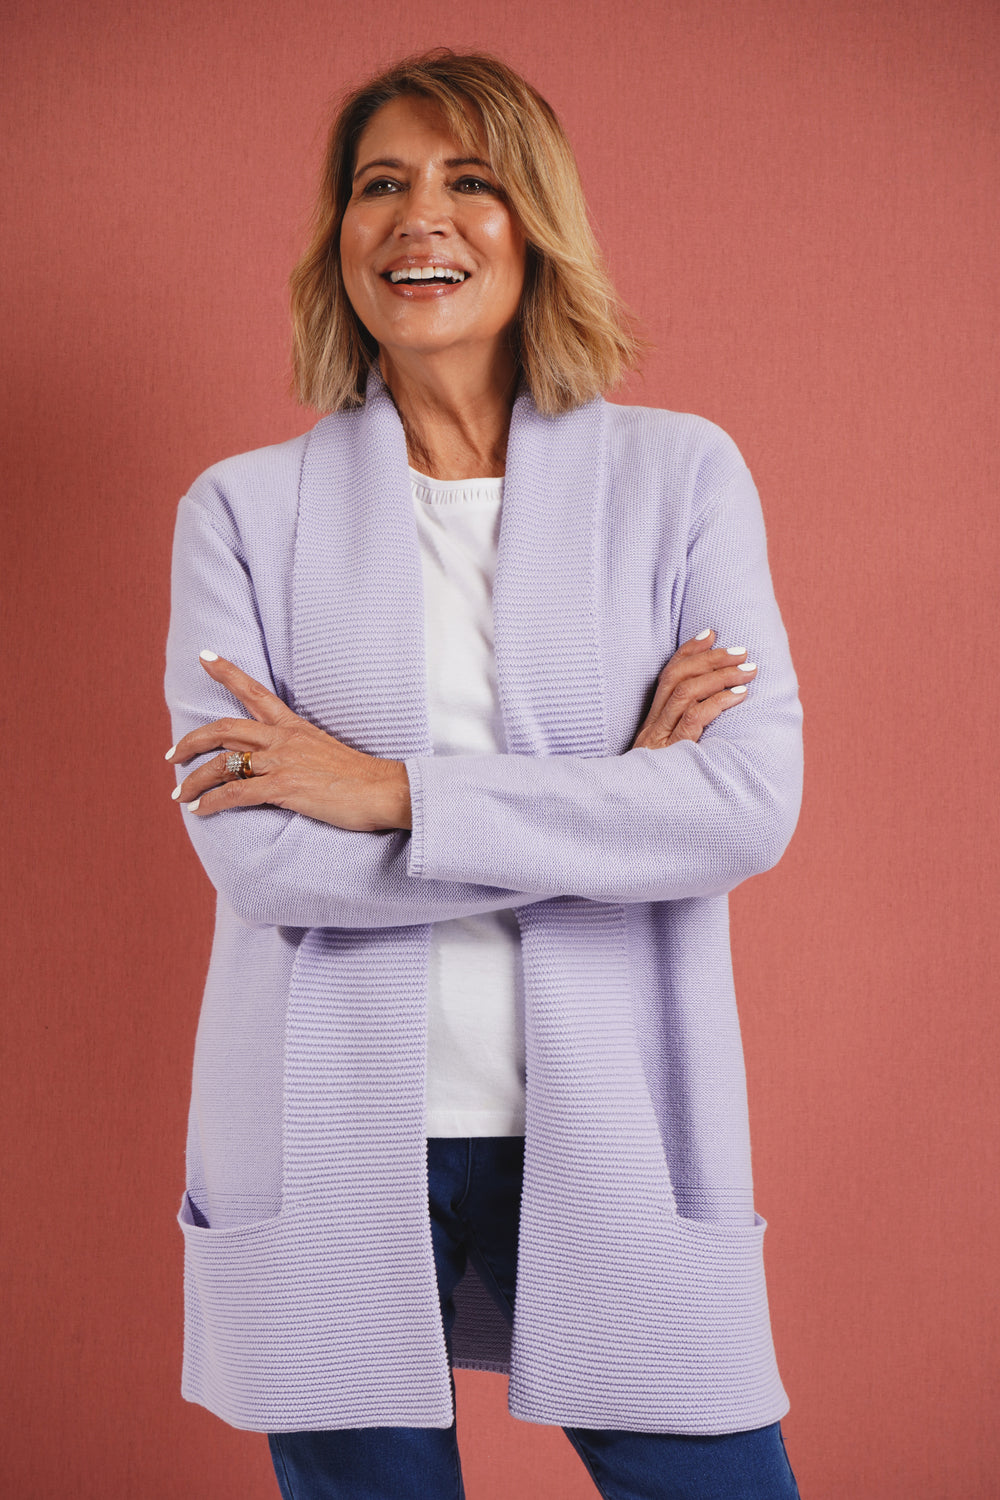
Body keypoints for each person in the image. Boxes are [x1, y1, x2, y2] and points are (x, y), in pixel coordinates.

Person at [164, 48, 804, 1500]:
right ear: (340, 235)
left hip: (612, 1125)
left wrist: (388, 791)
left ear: (538, 222)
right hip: (327, 1140)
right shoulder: (243, 514)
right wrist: (615, 801)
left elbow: (742, 807)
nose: (419, 217)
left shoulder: (679, 480)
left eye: (470, 180)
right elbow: (262, 858)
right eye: (379, 184)